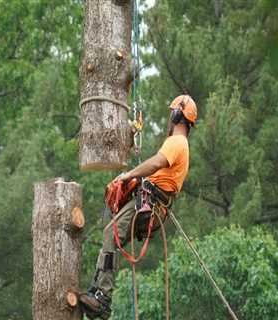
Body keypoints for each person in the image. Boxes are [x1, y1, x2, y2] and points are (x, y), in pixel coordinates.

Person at [80, 95, 197, 320]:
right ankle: (97, 291)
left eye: (171, 113)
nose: (168, 118)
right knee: (110, 237)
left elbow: (156, 163)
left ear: (176, 115)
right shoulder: (179, 144)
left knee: (110, 234)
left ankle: (102, 297)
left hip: (150, 203)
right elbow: (156, 167)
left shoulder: (177, 142)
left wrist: (129, 175)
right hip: (153, 204)